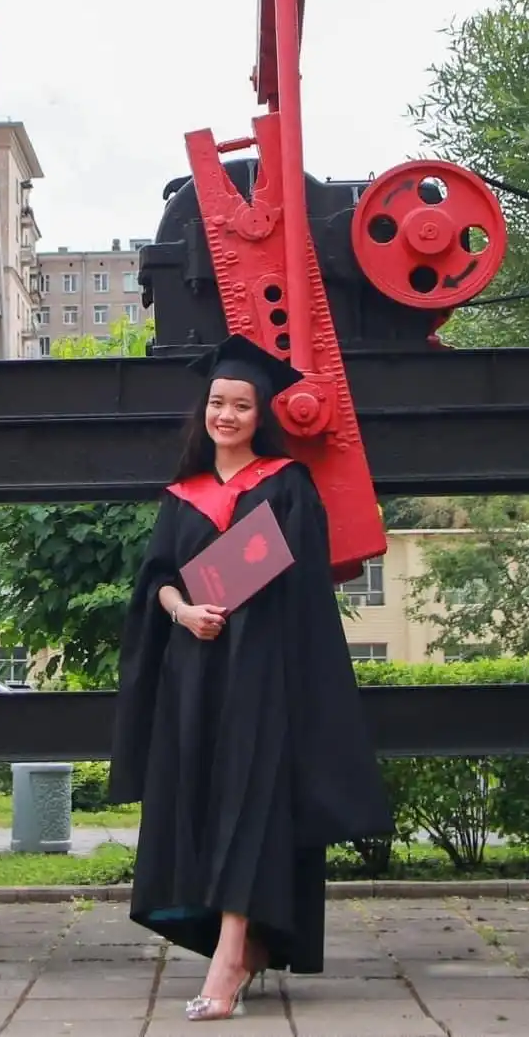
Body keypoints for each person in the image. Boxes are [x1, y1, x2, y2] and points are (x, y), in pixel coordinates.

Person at [110, 334, 391, 1021]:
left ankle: (231, 956)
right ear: (203, 410)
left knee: (250, 801)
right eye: (217, 402)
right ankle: (247, 942)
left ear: (260, 414)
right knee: (205, 800)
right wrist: (184, 611)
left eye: (240, 404)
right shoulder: (183, 495)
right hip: (193, 674)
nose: (226, 415)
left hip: (261, 674)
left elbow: (297, 584)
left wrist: (222, 598)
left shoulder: (286, 484)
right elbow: (158, 581)